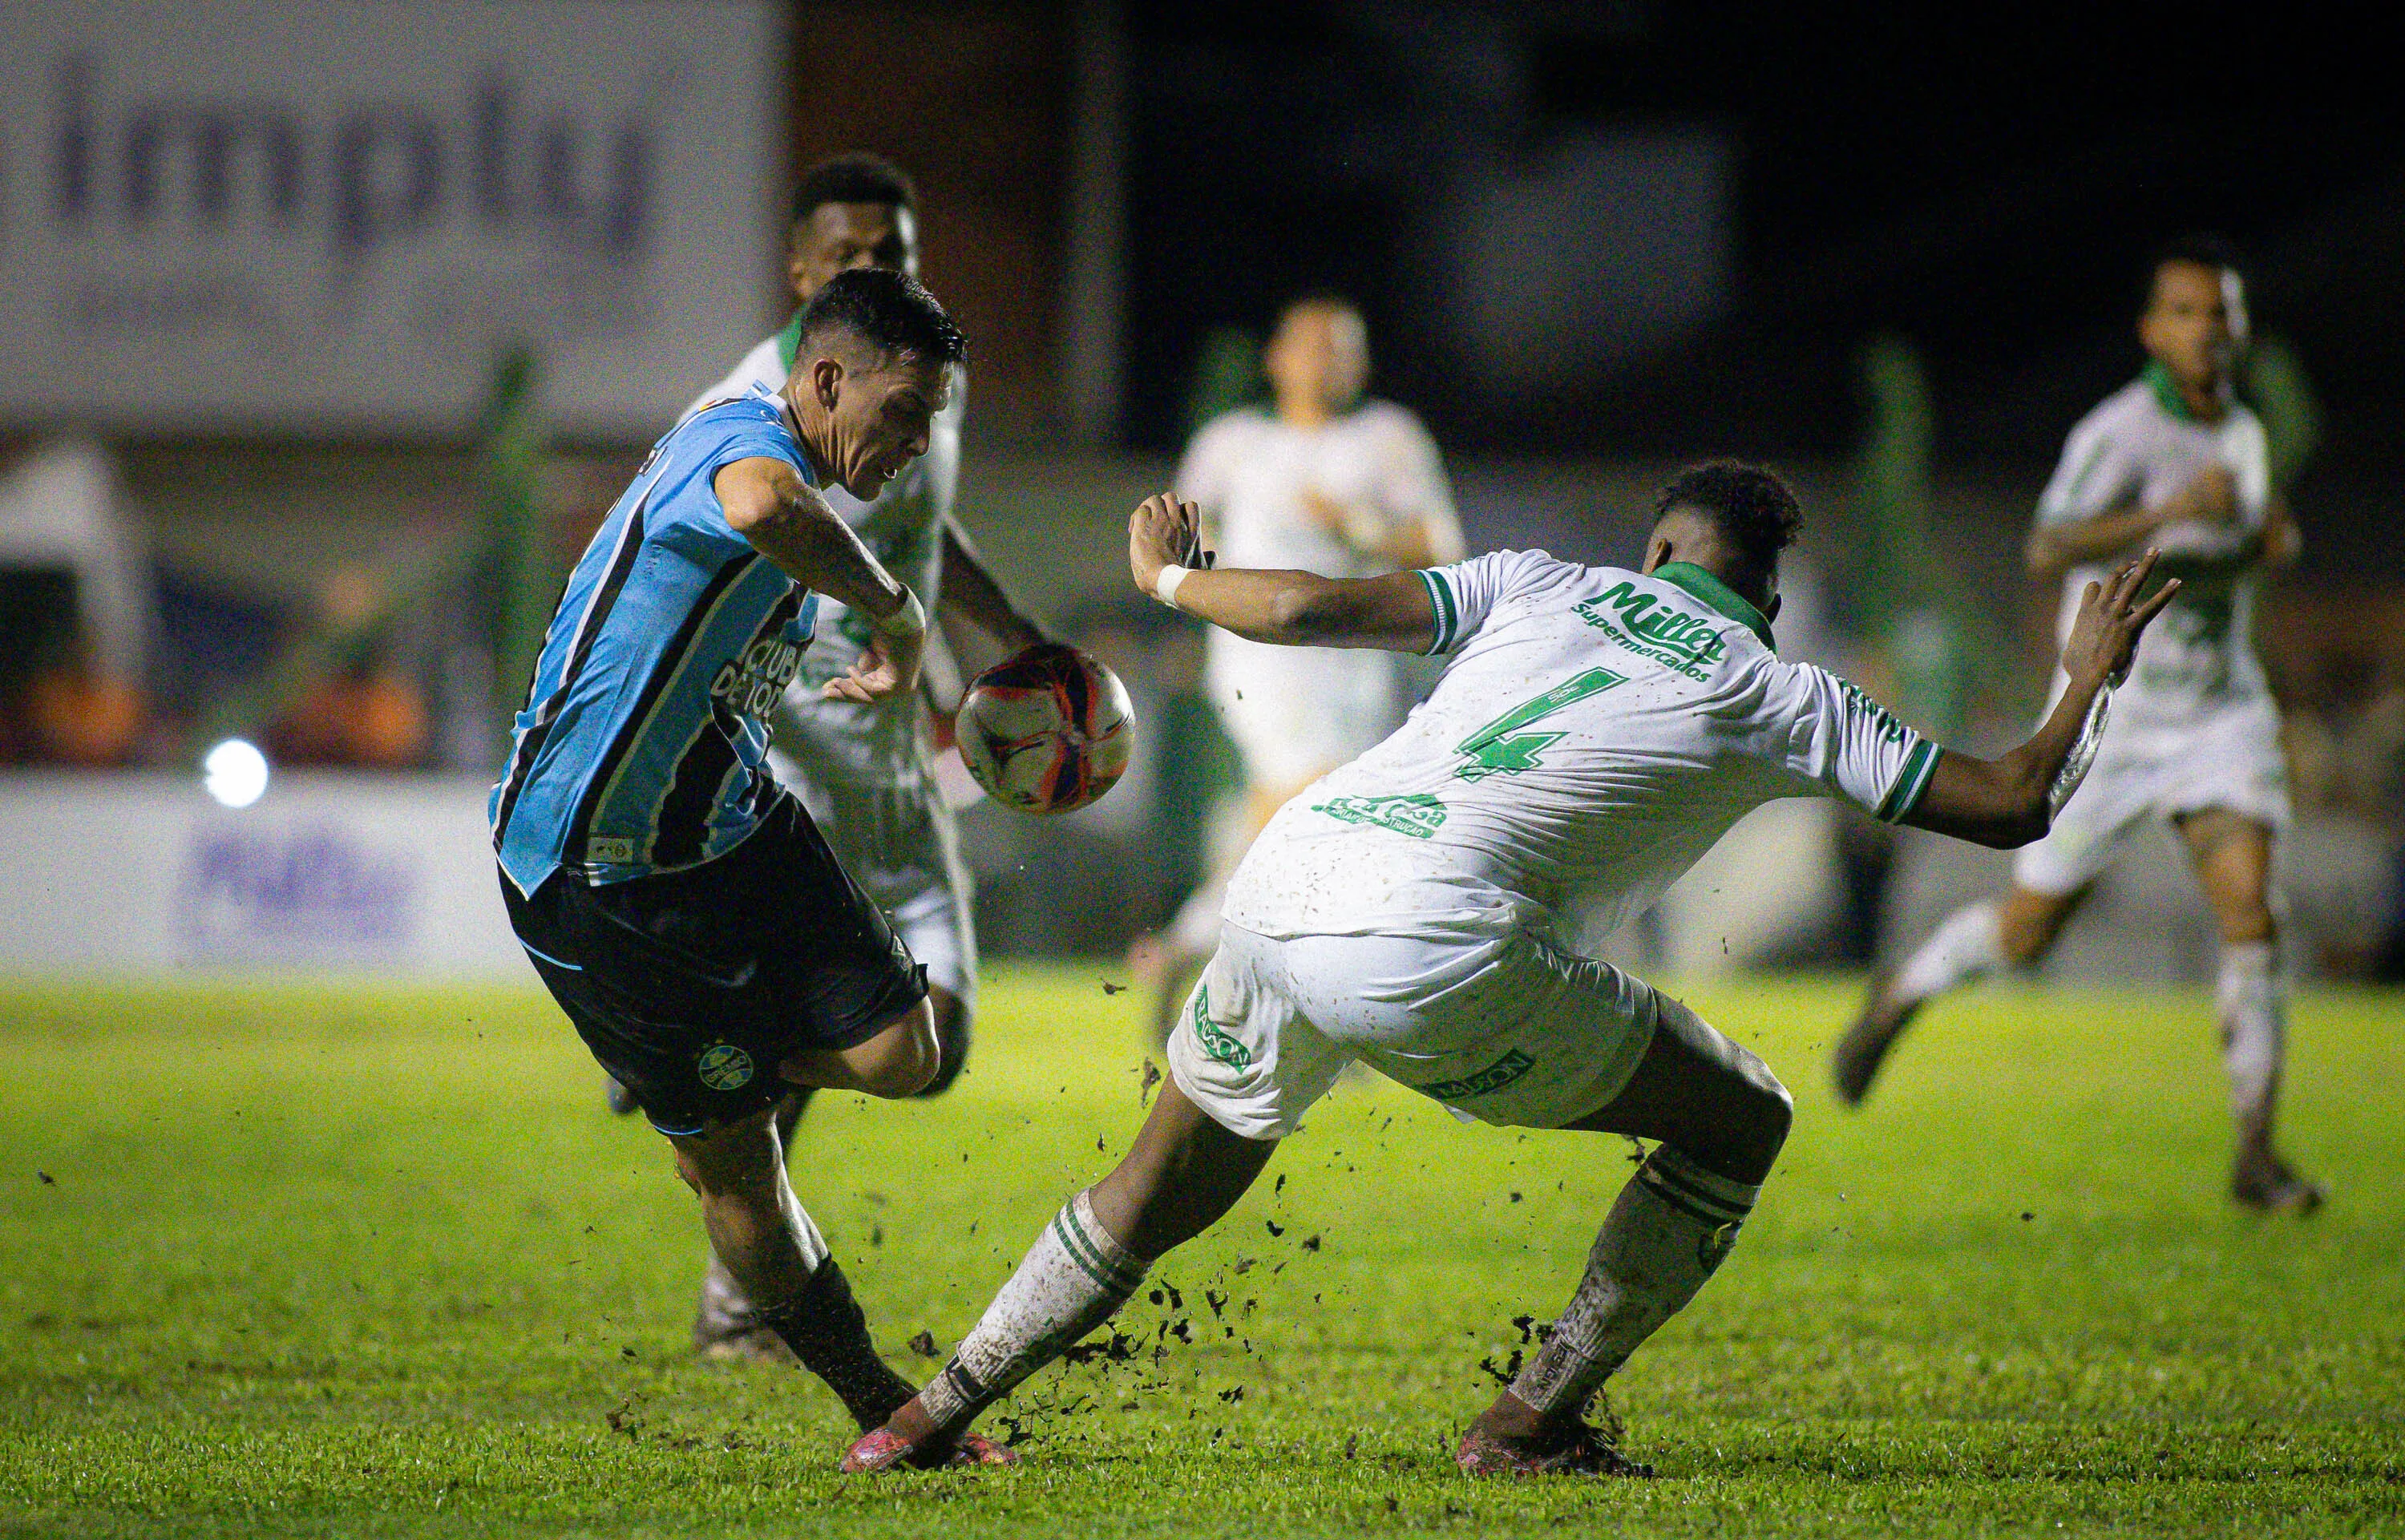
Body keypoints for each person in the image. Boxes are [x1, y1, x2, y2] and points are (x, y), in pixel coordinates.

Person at [839, 463, 2178, 1476]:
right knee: (1746, 1115)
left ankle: (927, 1416)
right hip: (1436, 941)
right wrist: (2084, 682)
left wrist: (1170, 583)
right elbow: (2009, 802)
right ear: (1763, 598)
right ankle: (1533, 1417)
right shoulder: (1784, 691)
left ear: (1657, 549)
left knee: (1158, 1179)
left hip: (1289, 875)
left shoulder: (1545, 581)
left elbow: (1301, 605)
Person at [491, 266, 1008, 1462]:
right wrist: (898, 612)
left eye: (933, 425)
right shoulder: (737, 443)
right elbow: (763, 505)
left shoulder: (792, 463)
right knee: (742, 1172)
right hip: (593, 872)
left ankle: (699, 1066)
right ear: (826, 380)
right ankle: (884, 1405)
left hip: (732, 823)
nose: (916, 448)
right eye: (903, 416)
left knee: (907, 1047)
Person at [615, 154, 1053, 1362]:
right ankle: (738, 1289)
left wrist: (998, 637)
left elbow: (918, 522)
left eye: (896, 252)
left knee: (936, 1051)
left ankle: (711, 1054)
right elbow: (720, 546)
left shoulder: (908, 379)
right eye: (853, 253)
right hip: (794, 773)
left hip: (895, 786)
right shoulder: (758, 410)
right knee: (851, 1041)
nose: (878, 269)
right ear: (802, 271)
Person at [1831, 237, 2324, 1215]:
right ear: (2152, 330)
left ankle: (2256, 1154)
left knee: (2253, 917)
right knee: (2027, 935)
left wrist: (2271, 540)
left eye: (2222, 313)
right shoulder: (2122, 430)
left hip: (2221, 710)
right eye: (2187, 313)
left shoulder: (2245, 433)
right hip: (2123, 712)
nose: (2209, 331)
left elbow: (2241, 545)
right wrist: (2170, 513)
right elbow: (2048, 542)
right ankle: (1907, 985)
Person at [1130, 296, 1462, 1028]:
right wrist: (1195, 580)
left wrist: (1356, 527)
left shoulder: (1387, 436)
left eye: (1343, 348)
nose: (1327, 361)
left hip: (1357, 659)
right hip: (1263, 660)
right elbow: (1187, 533)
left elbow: (1439, 550)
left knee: (1319, 821)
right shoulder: (1233, 441)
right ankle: (1300, 990)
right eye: (1313, 345)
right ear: (1277, 357)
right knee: (1310, 802)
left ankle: (1200, 943)